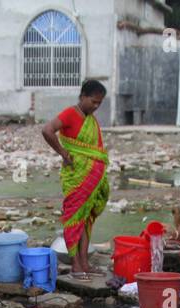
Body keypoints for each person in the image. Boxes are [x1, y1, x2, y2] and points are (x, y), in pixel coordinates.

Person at [42, 79, 109, 279]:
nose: (95, 107)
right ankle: (76, 265)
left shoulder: (91, 119)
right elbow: (47, 130)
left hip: (93, 177)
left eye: (99, 103)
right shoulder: (71, 113)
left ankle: (85, 263)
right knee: (75, 218)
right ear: (82, 97)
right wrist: (62, 153)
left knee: (86, 219)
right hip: (77, 176)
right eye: (93, 102)